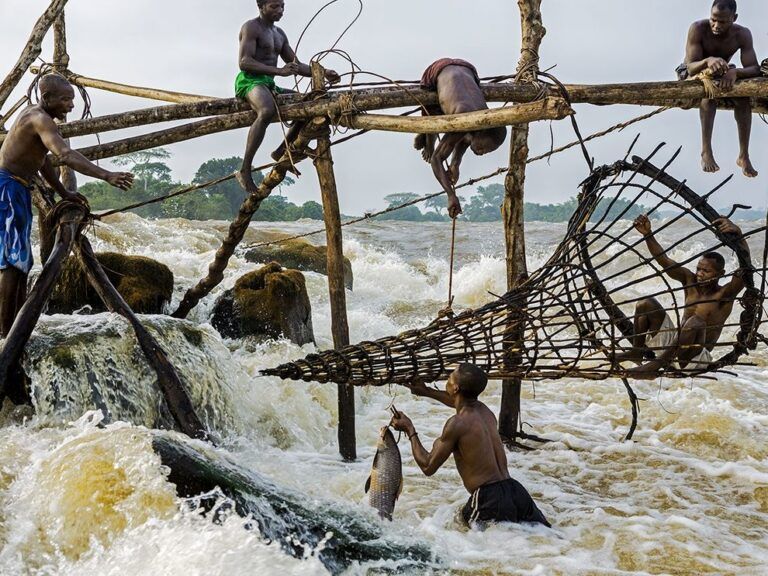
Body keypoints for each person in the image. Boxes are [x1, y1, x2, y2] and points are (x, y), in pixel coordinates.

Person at [0, 73, 133, 401]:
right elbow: (64, 156)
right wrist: (106, 175)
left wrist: (63, 193)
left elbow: (44, 161)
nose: (71, 106)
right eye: (65, 100)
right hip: (7, 188)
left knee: (22, 262)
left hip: (18, 187)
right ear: (46, 98)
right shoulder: (39, 118)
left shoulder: (39, 119)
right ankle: (7, 337)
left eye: (72, 99)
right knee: (13, 262)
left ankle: (16, 329)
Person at [390, 364, 550, 528]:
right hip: (516, 492)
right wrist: (426, 391)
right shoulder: (486, 412)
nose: (447, 380)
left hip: (489, 498)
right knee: (540, 535)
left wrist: (409, 429)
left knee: (460, 532)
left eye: (450, 378)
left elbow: (428, 466)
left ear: (456, 388)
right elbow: (457, 401)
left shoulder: (456, 424)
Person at [615, 214, 749, 378]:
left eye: (706, 271)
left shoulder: (725, 294)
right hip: (672, 348)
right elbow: (663, 260)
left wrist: (739, 235)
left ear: (720, 274)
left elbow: (746, 270)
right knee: (645, 303)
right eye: (698, 269)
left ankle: (656, 365)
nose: (700, 274)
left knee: (696, 321)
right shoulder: (689, 281)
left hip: (694, 358)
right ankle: (637, 351)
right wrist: (647, 234)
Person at [236, 0, 339, 194]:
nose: (280, 10)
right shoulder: (251, 27)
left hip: (269, 84)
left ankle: (281, 151)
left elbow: (296, 65)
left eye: (282, 6)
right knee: (266, 111)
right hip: (250, 81)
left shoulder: (279, 34)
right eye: (274, 6)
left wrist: (324, 72)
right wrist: (279, 71)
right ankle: (245, 169)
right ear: (261, 6)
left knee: (309, 104)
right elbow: (244, 62)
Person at [414, 59, 507, 218]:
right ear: (483, 132)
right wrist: (451, 196)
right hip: (436, 70)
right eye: (485, 148)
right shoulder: (466, 122)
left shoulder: (480, 119)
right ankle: (428, 138)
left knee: (456, 121)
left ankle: (430, 134)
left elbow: (465, 136)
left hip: (468, 70)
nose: (482, 153)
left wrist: (455, 164)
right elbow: (437, 159)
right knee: (434, 119)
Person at [680, 0, 760, 176]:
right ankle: (706, 151)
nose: (716, 25)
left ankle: (743, 156)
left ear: (734, 18)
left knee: (743, 98)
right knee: (710, 94)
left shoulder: (742, 34)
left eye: (722, 22)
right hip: (694, 72)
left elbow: (755, 68)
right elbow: (690, 67)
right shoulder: (698, 28)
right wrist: (708, 61)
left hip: (721, 72)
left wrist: (735, 72)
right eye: (713, 19)